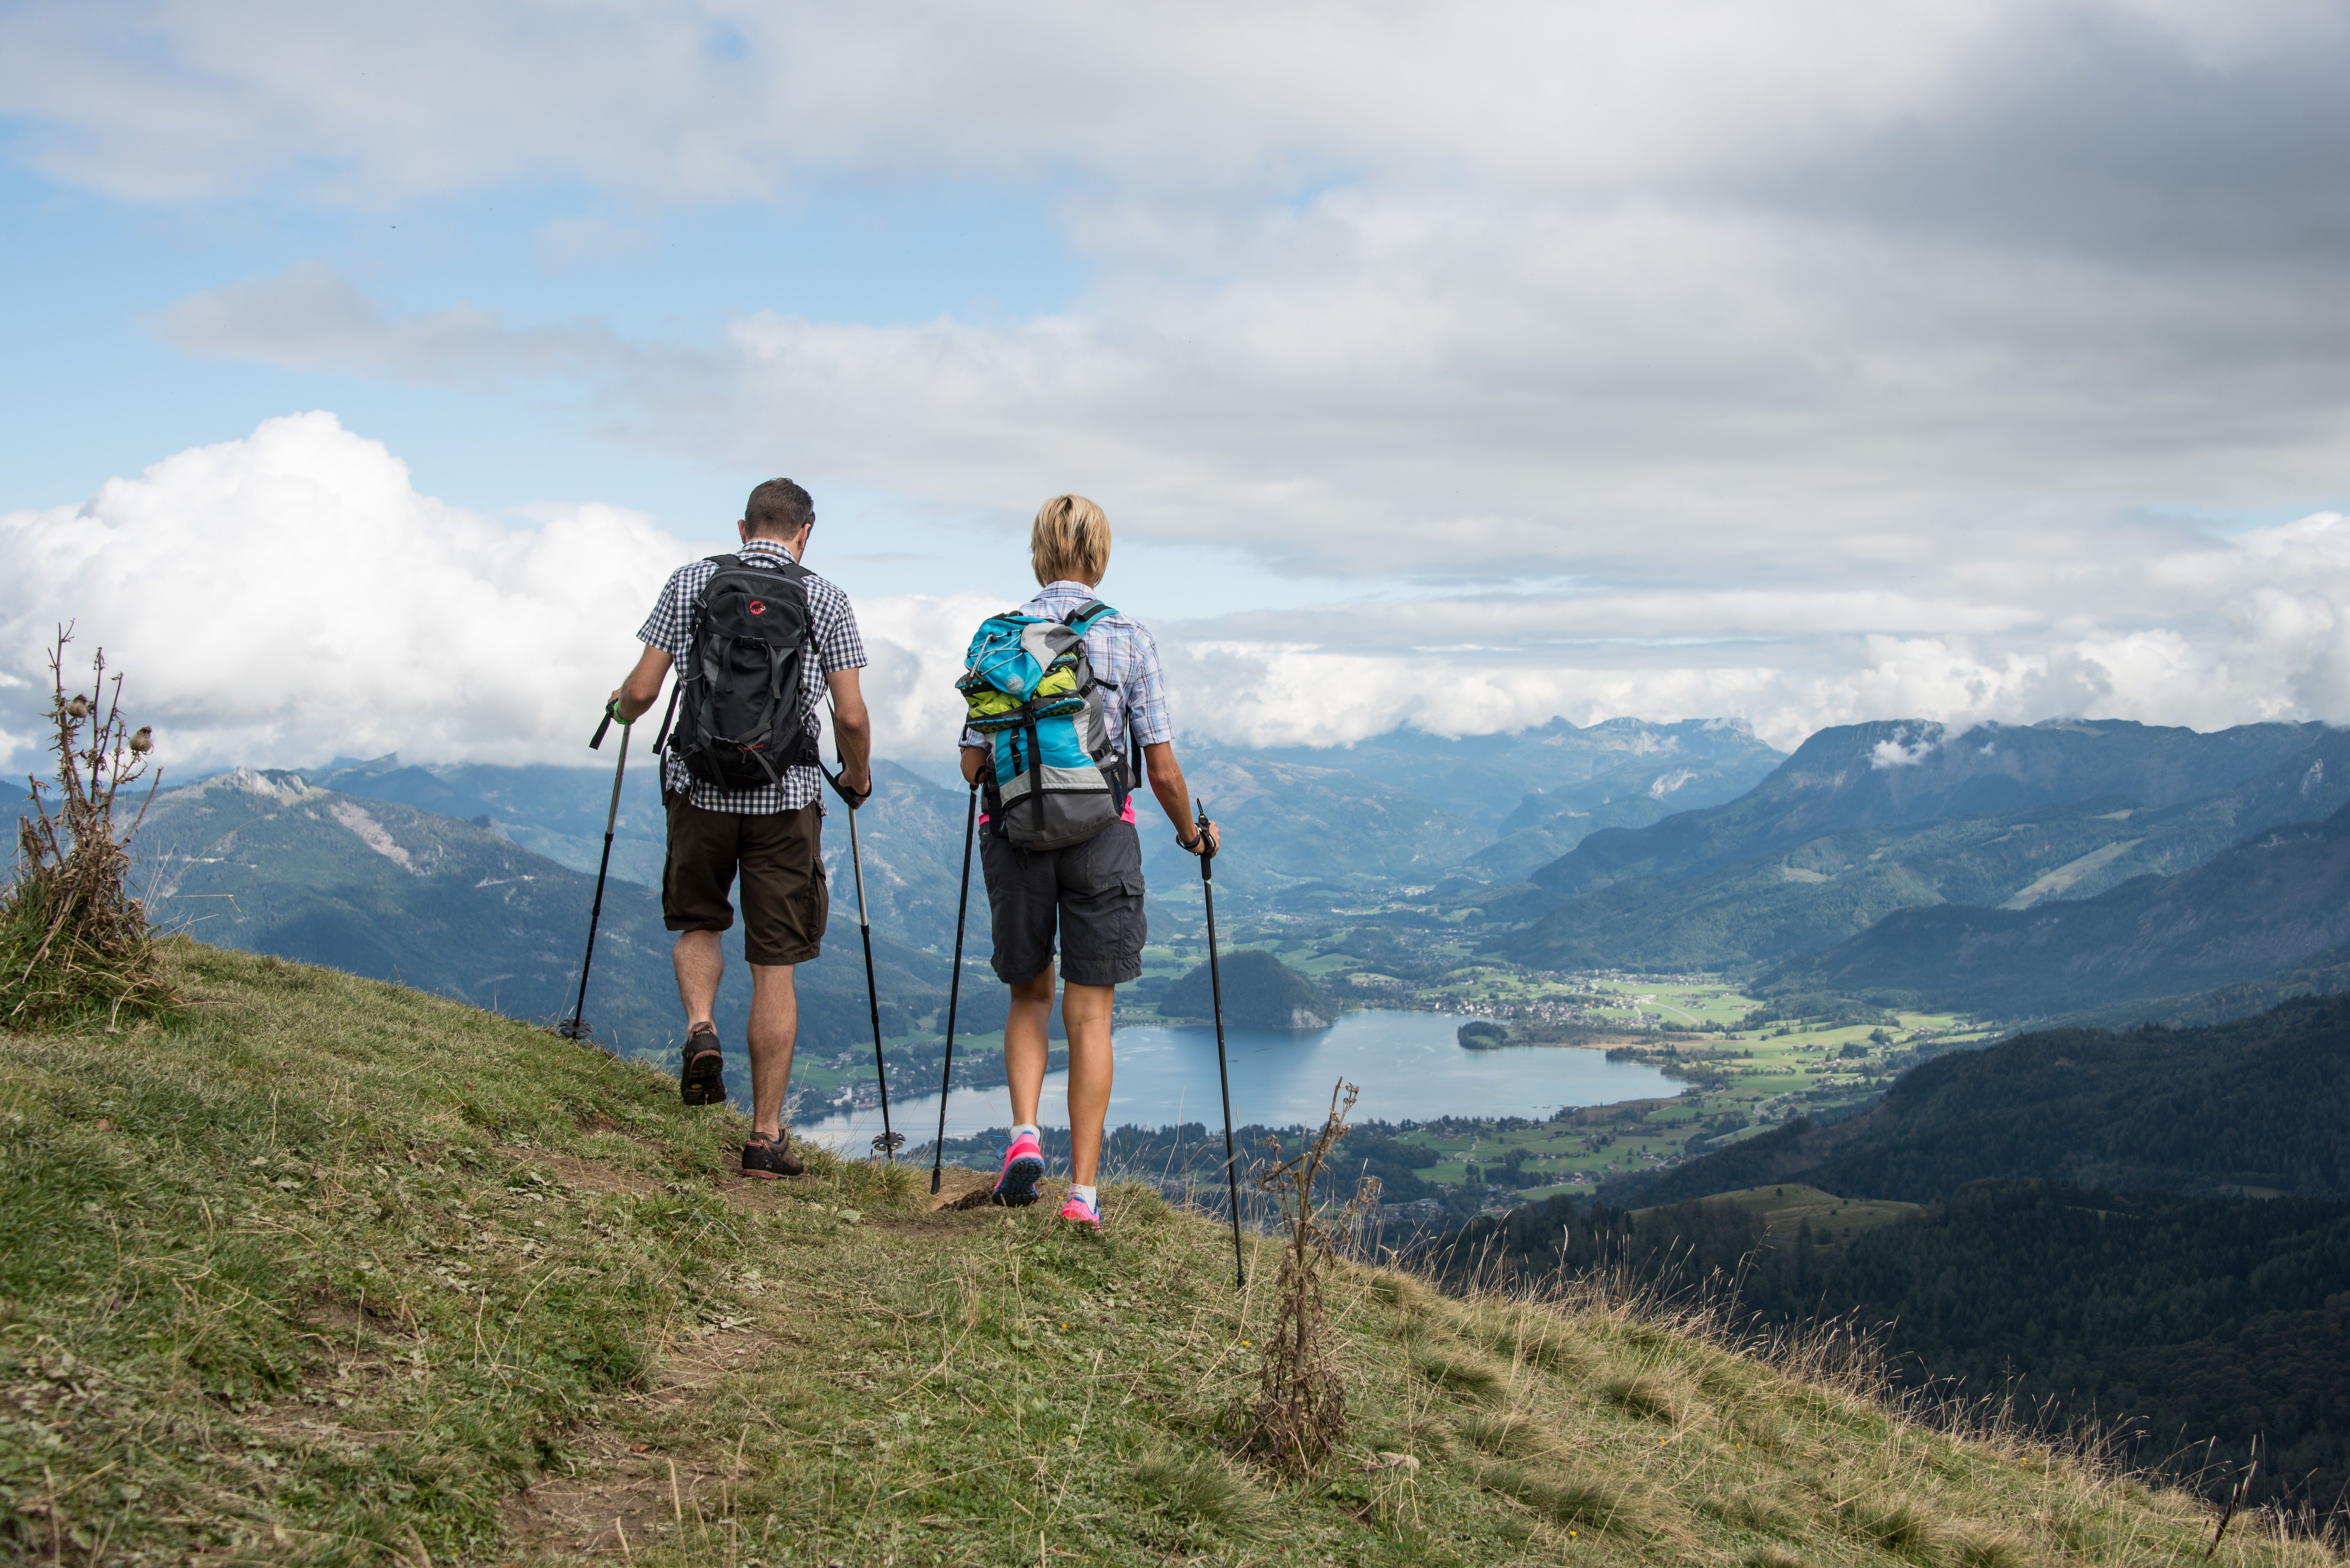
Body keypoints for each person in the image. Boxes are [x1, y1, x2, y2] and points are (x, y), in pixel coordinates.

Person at [960, 494, 1219, 1230]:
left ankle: (1021, 1138)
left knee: (1027, 995)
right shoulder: (1130, 638)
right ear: (1099, 556)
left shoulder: (998, 637)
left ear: (1038, 554)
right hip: (1103, 836)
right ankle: (1082, 1193)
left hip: (1014, 834)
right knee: (1092, 1014)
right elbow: (1162, 768)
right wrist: (1191, 835)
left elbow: (971, 759)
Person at [608, 478, 872, 1179]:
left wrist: (620, 711)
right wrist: (858, 775)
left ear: (742, 525)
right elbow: (849, 715)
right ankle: (763, 1137)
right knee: (774, 963)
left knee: (698, 921)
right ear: (805, 532)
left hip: (698, 788)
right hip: (783, 797)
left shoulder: (692, 582)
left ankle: (701, 1027)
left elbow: (641, 691)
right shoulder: (827, 599)